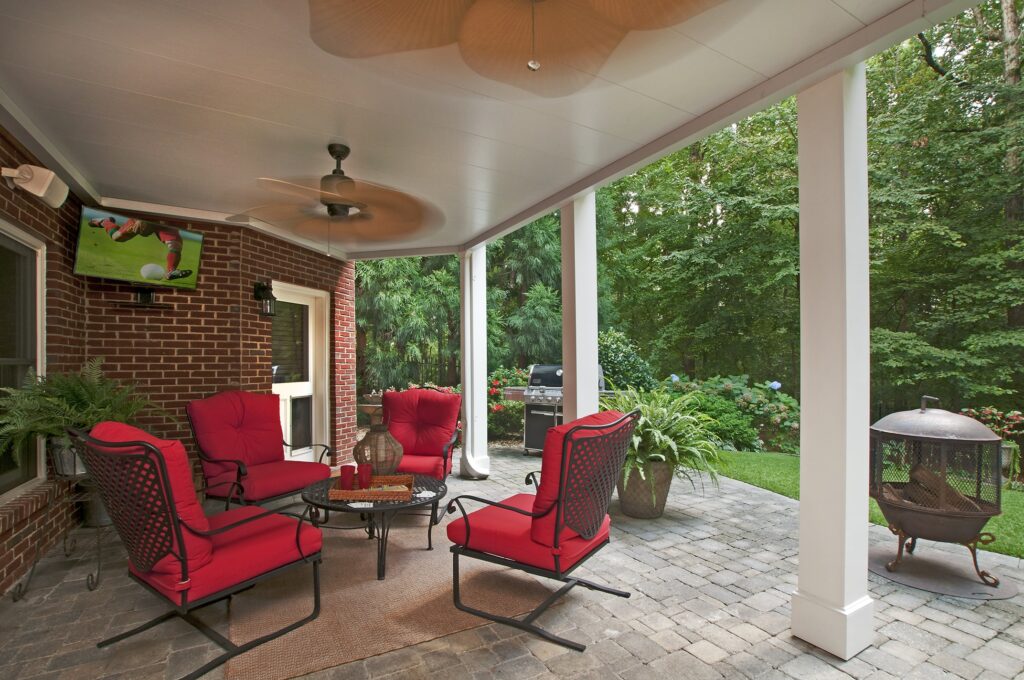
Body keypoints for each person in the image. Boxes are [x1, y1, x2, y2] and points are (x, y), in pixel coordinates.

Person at [88, 215, 193, 280]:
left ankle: (171, 271)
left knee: (175, 245)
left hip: (164, 222)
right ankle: (104, 221)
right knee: (116, 237)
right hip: (143, 219)